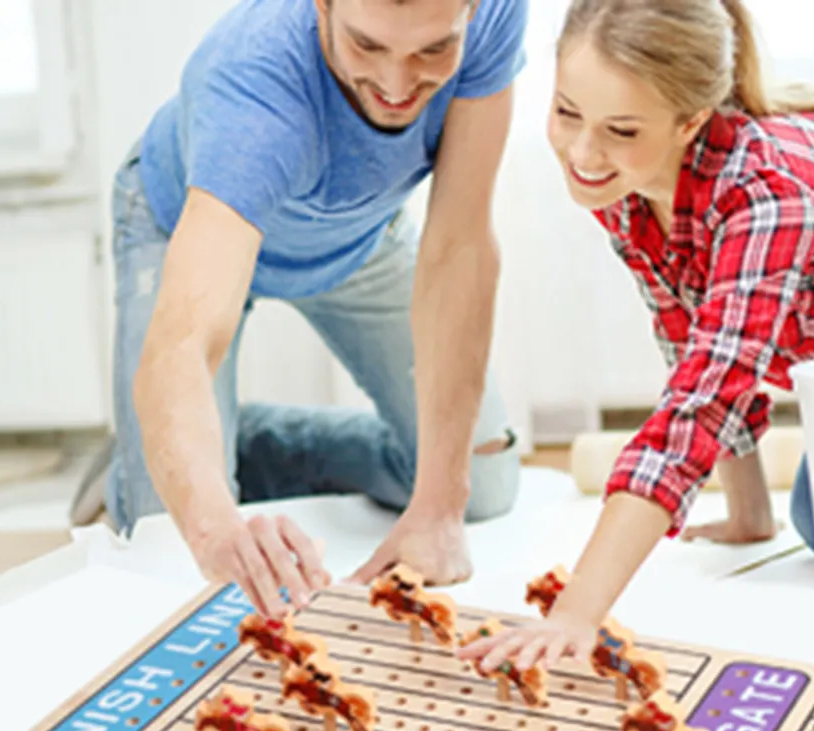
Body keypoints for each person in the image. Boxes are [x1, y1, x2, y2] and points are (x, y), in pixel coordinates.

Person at [458, 0, 814, 673]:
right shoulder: (626, 182)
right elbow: (692, 337)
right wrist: (749, 513)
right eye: (565, 113)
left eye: (620, 129)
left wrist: (578, 611)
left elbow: (704, 401)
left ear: (691, 121)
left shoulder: (767, 196)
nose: (583, 153)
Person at [71, 0, 528, 617]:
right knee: (169, 541)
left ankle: (246, 443)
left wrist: (439, 509)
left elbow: (460, 245)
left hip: (356, 231)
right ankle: (142, 458)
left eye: (431, 51)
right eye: (367, 46)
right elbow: (182, 343)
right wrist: (214, 530)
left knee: (485, 490)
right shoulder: (252, 84)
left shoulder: (497, 12)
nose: (396, 88)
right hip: (183, 226)